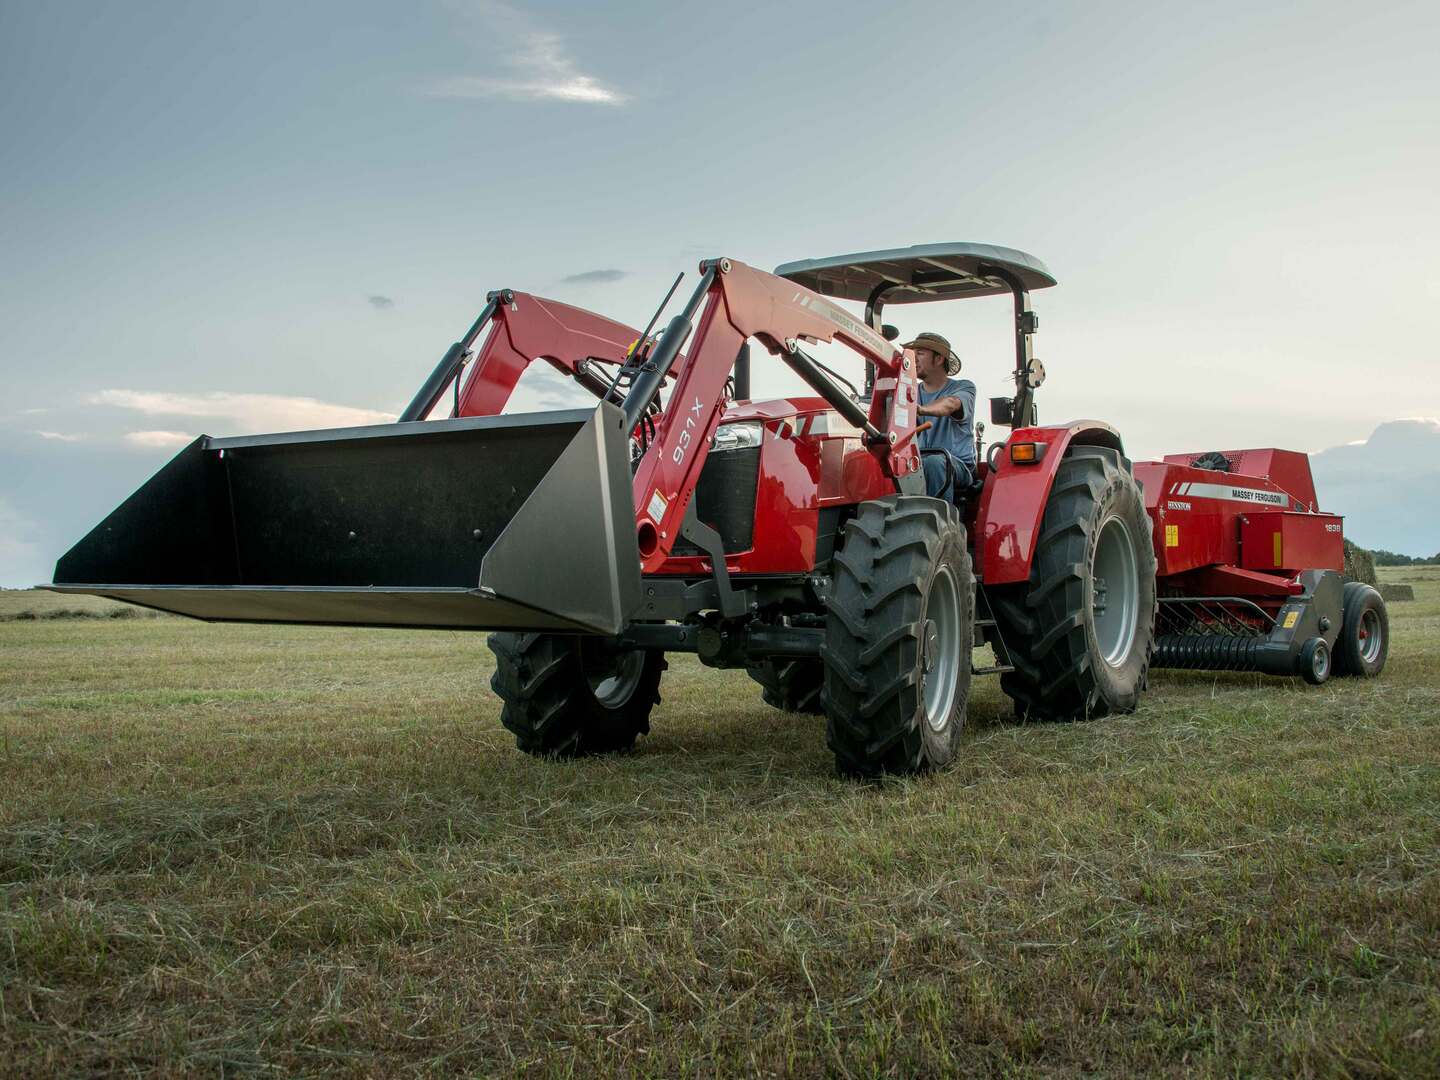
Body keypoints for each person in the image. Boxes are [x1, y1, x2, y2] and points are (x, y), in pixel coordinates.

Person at [905, 332, 976, 501]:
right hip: (917, 461)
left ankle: (940, 523)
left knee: (934, 463)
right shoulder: (910, 391)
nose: (914, 359)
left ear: (938, 359)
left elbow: (950, 404)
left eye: (920, 353)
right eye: (912, 354)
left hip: (955, 464)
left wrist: (921, 410)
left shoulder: (963, 388)